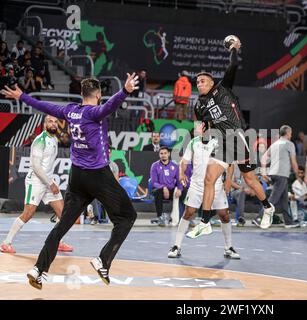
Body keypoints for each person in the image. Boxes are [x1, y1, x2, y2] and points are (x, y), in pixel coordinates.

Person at [2, 73, 139, 289]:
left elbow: (45, 106)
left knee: (62, 226)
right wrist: (125, 91)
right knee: (128, 216)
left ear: (82, 94)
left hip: (77, 177)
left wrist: (22, 97)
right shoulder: (94, 112)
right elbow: (110, 107)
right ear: (99, 94)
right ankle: (103, 260)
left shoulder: (70, 111)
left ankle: (38, 269)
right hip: (97, 175)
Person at [189, 36, 275, 238]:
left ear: (211, 82)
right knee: (209, 179)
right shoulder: (198, 105)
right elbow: (205, 129)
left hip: (236, 136)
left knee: (249, 179)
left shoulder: (223, 88)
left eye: (202, 81)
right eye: (197, 82)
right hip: (221, 142)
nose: (199, 84)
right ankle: (205, 222)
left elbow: (234, 64)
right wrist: (202, 136)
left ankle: (268, 208)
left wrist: (234, 48)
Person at [0, 116, 73, 254]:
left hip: (48, 181)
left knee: (63, 213)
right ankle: (6, 243)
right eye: (50, 121)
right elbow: (36, 166)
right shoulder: (40, 141)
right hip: (36, 181)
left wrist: (50, 182)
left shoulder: (54, 139)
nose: (53, 124)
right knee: (28, 213)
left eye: (55, 122)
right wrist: (50, 183)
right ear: (44, 124)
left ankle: (58, 241)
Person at [168, 123, 239, 258]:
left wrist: (228, 180)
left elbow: (229, 163)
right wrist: (181, 173)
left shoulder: (219, 142)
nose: (197, 129)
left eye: (200, 127)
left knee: (224, 214)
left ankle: (229, 247)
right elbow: (184, 161)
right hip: (196, 185)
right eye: (197, 127)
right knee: (189, 212)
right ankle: (176, 246)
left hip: (216, 185)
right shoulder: (193, 142)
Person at [259, 125, 300, 228]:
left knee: (284, 199)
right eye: (290, 133)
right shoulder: (289, 144)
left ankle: (288, 222)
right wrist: (297, 175)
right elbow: (294, 162)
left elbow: (263, 158)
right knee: (273, 199)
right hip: (281, 174)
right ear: (287, 133)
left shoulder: (275, 144)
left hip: (274, 173)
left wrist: (264, 172)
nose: (291, 135)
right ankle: (259, 218)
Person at [150, 146, 186, 226]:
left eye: (165, 153)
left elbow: (179, 180)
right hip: (159, 190)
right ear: (159, 155)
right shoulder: (155, 166)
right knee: (158, 192)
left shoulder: (175, 166)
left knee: (184, 191)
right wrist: (163, 187)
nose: (163, 155)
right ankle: (160, 217)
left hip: (171, 190)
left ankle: (183, 217)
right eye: (161, 153)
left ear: (169, 154)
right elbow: (154, 182)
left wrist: (180, 189)